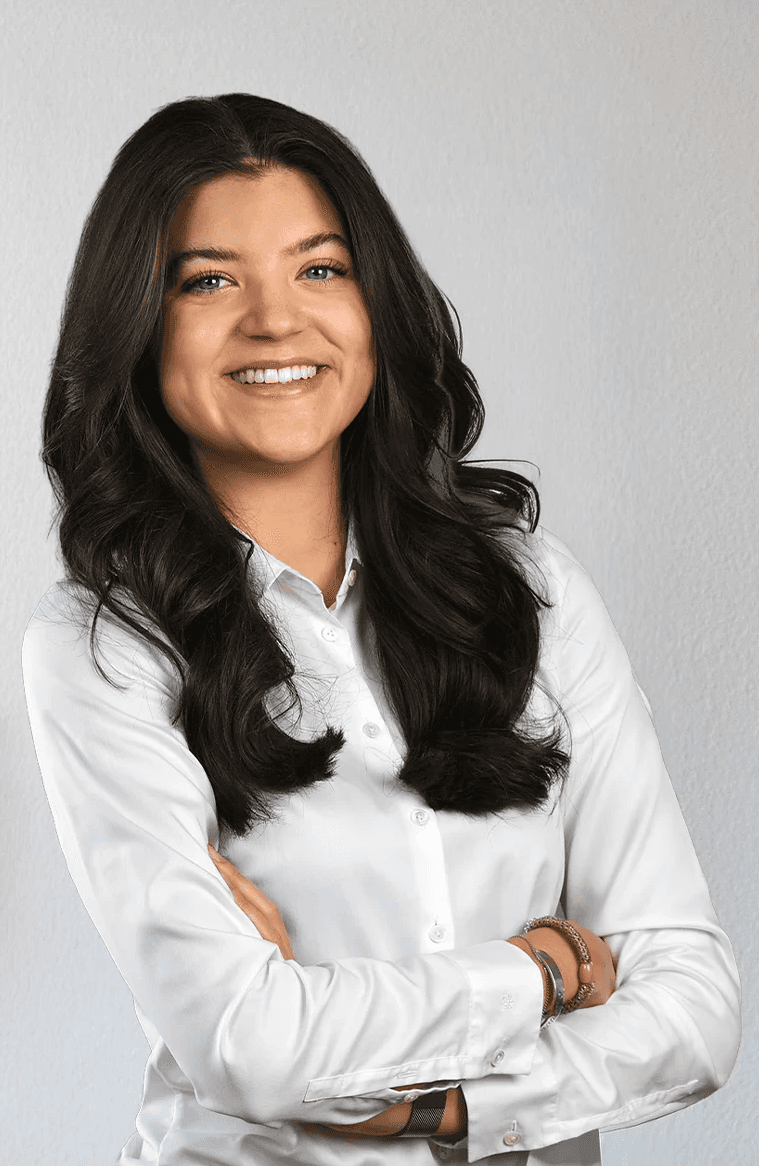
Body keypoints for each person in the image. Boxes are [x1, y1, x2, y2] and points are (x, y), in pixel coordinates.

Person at [21, 93, 739, 1166]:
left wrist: (430, 1110)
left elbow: (694, 1002)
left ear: (376, 304)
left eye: (320, 269)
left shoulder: (527, 586)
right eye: (209, 280)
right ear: (138, 324)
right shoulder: (107, 645)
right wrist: (539, 971)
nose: (275, 320)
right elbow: (246, 1044)